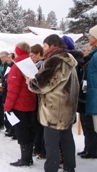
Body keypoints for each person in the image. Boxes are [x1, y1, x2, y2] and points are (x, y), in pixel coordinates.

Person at [26, 34, 79, 172]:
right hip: (67, 108)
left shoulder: (55, 61)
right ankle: (69, 168)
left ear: (52, 46)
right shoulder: (69, 60)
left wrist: (30, 82)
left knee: (51, 145)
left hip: (54, 110)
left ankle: (51, 169)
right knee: (67, 141)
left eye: (44, 46)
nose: (43, 49)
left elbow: (41, 85)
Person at [4, 42, 36, 167]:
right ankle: (28, 157)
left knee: (22, 132)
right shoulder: (30, 63)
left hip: (19, 104)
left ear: (18, 51)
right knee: (29, 130)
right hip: (30, 103)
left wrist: (7, 106)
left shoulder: (17, 66)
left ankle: (25, 159)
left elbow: (13, 89)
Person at [29, 44, 46, 159]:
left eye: (32, 55)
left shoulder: (43, 65)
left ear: (39, 54)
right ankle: (38, 147)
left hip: (41, 99)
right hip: (35, 99)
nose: (31, 58)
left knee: (41, 126)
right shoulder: (35, 65)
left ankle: (42, 149)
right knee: (36, 125)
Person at [83, 25, 97, 159]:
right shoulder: (94, 54)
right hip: (92, 95)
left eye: (91, 35)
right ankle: (90, 149)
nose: (88, 37)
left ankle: (92, 150)